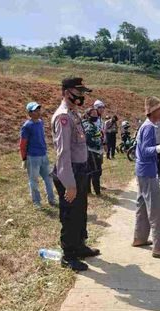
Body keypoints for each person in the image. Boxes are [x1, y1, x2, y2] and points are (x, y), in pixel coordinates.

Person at [51, 77, 100, 272]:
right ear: (67, 92)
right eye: (78, 93)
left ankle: (79, 245)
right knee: (70, 213)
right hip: (68, 171)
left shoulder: (73, 114)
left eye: (82, 93)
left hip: (79, 169)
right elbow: (63, 153)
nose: (81, 96)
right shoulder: (63, 116)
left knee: (80, 210)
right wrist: (69, 184)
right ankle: (68, 254)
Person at [133, 96, 160, 260]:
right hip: (148, 171)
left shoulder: (148, 126)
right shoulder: (149, 128)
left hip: (143, 170)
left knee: (142, 205)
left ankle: (140, 238)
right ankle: (159, 248)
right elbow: (145, 151)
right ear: (152, 112)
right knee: (157, 210)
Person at [19, 102, 56, 209]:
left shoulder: (40, 122)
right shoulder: (27, 126)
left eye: (39, 110)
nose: (38, 112)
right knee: (33, 180)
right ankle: (37, 202)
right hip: (33, 157)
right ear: (29, 113)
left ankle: (51, 199)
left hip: (43, 155)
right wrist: (24, 158)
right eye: (35, 110)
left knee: (48, 178)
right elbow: (22, 144)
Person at [82, 107, 104, 196]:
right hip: (92, 151)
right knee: (95, 171)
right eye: (93, 114)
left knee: (90, 171)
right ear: (88, 115)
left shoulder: (93, 124)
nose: (96, 116)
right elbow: (88, 140)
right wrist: (97, 144)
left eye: (96, 114)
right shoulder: (88, 125)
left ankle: (88, 190)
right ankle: (97, 192)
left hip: (95, 151)